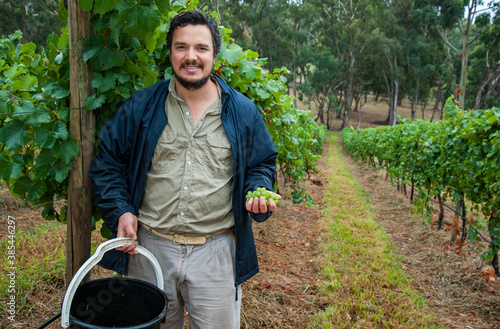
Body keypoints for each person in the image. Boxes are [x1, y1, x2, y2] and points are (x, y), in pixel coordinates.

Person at [88, 9, 278, 329]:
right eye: (181, 47)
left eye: (201, 48)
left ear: (214, 55)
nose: (191, 56)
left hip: (216, 253)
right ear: (171, 53)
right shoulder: (141, 106)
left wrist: (256, 192)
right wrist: (121, 211)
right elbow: (106, 163)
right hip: (149, 250)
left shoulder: (243, 111)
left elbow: (262, 164)